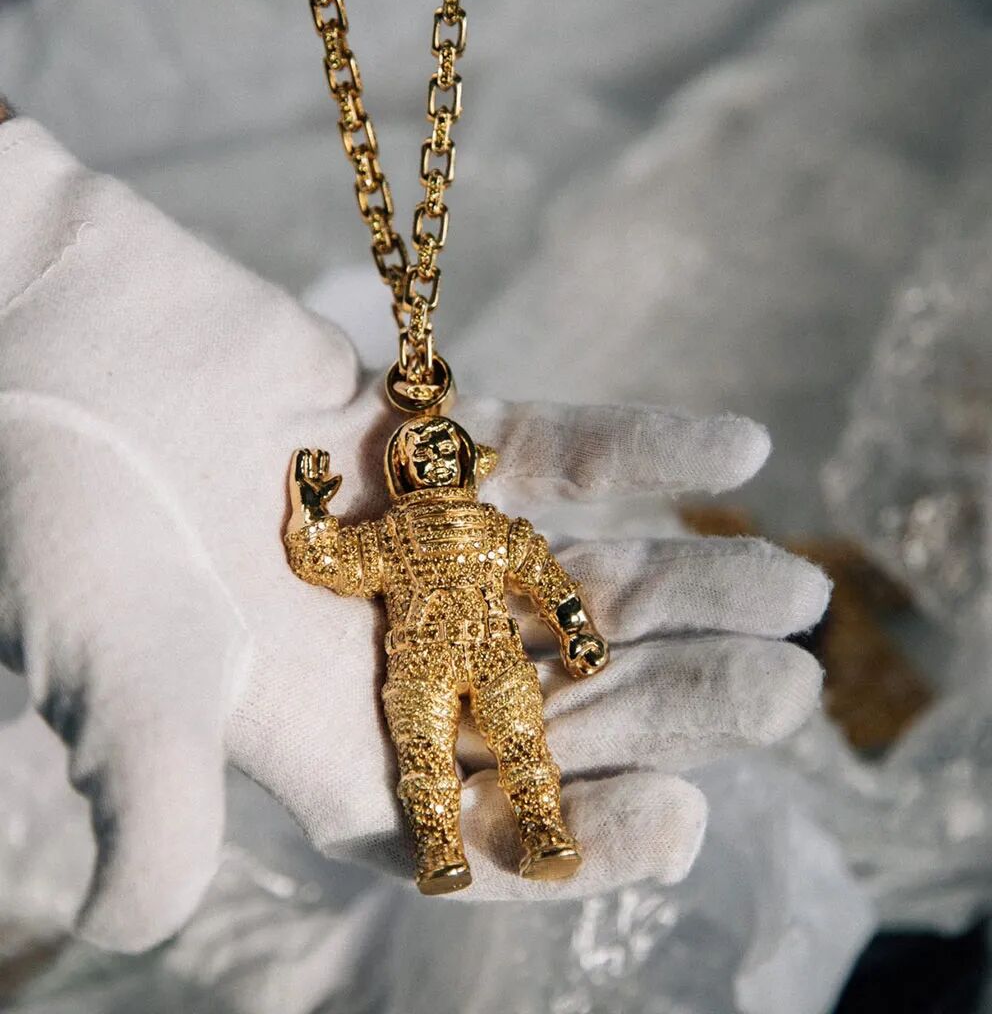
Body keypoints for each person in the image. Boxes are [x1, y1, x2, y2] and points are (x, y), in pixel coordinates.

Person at [0, 110, 830, 951]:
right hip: (420, 668)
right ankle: (440, 846)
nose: (432, 456)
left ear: (467, 465)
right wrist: (312, 506)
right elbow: (330, 561)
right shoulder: (392, 537)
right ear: (400, 473)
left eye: (444, 451)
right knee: (426, 759)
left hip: (498, 656)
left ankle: (542, 828)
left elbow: (544, 577)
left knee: (522, 743)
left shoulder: (492, 529)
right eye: (419, 453)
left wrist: (578, 633)